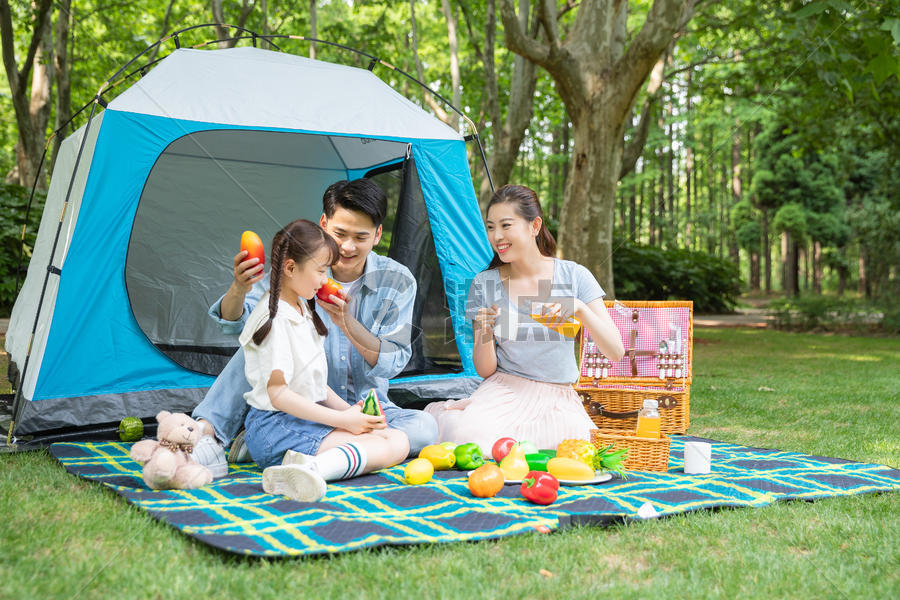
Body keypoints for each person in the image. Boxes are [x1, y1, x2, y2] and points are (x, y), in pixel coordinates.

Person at [191, 179, 438, 476]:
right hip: (296, 404)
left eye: (360, 237)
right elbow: (236, 323)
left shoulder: (397, 281)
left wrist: (347, 324)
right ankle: (208, 432)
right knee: (260, 340)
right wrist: (238, 289)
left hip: (358, 405)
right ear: (323, 224)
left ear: (377, 235)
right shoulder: (299, 272)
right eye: (340, 234)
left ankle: (294, 449)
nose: (347, 247)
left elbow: (393, 362)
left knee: (424, 428)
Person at [424, 184, 625, 452]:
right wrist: (484, 332)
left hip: (557, 397)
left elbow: (616, 351)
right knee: (469, 439)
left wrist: (579, 309)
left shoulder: (574, 276)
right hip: (504, 392)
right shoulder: (485, 284)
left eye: (506, 225)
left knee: (569, 450)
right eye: (491, 227)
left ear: (534, 226)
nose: (497, 236)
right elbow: (485, 370)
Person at [239, 218, 408, 501]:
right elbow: (278, 395)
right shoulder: (275, 318)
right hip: (276, 424)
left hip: (300, 420)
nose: (324, 279)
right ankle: (308, 471)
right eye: (320, 270)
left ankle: (304, 465)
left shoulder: (302, 308)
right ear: (291, 268)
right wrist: (343, 420)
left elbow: (314, 382)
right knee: (381, 447)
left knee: (397, 439)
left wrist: (354, 415)